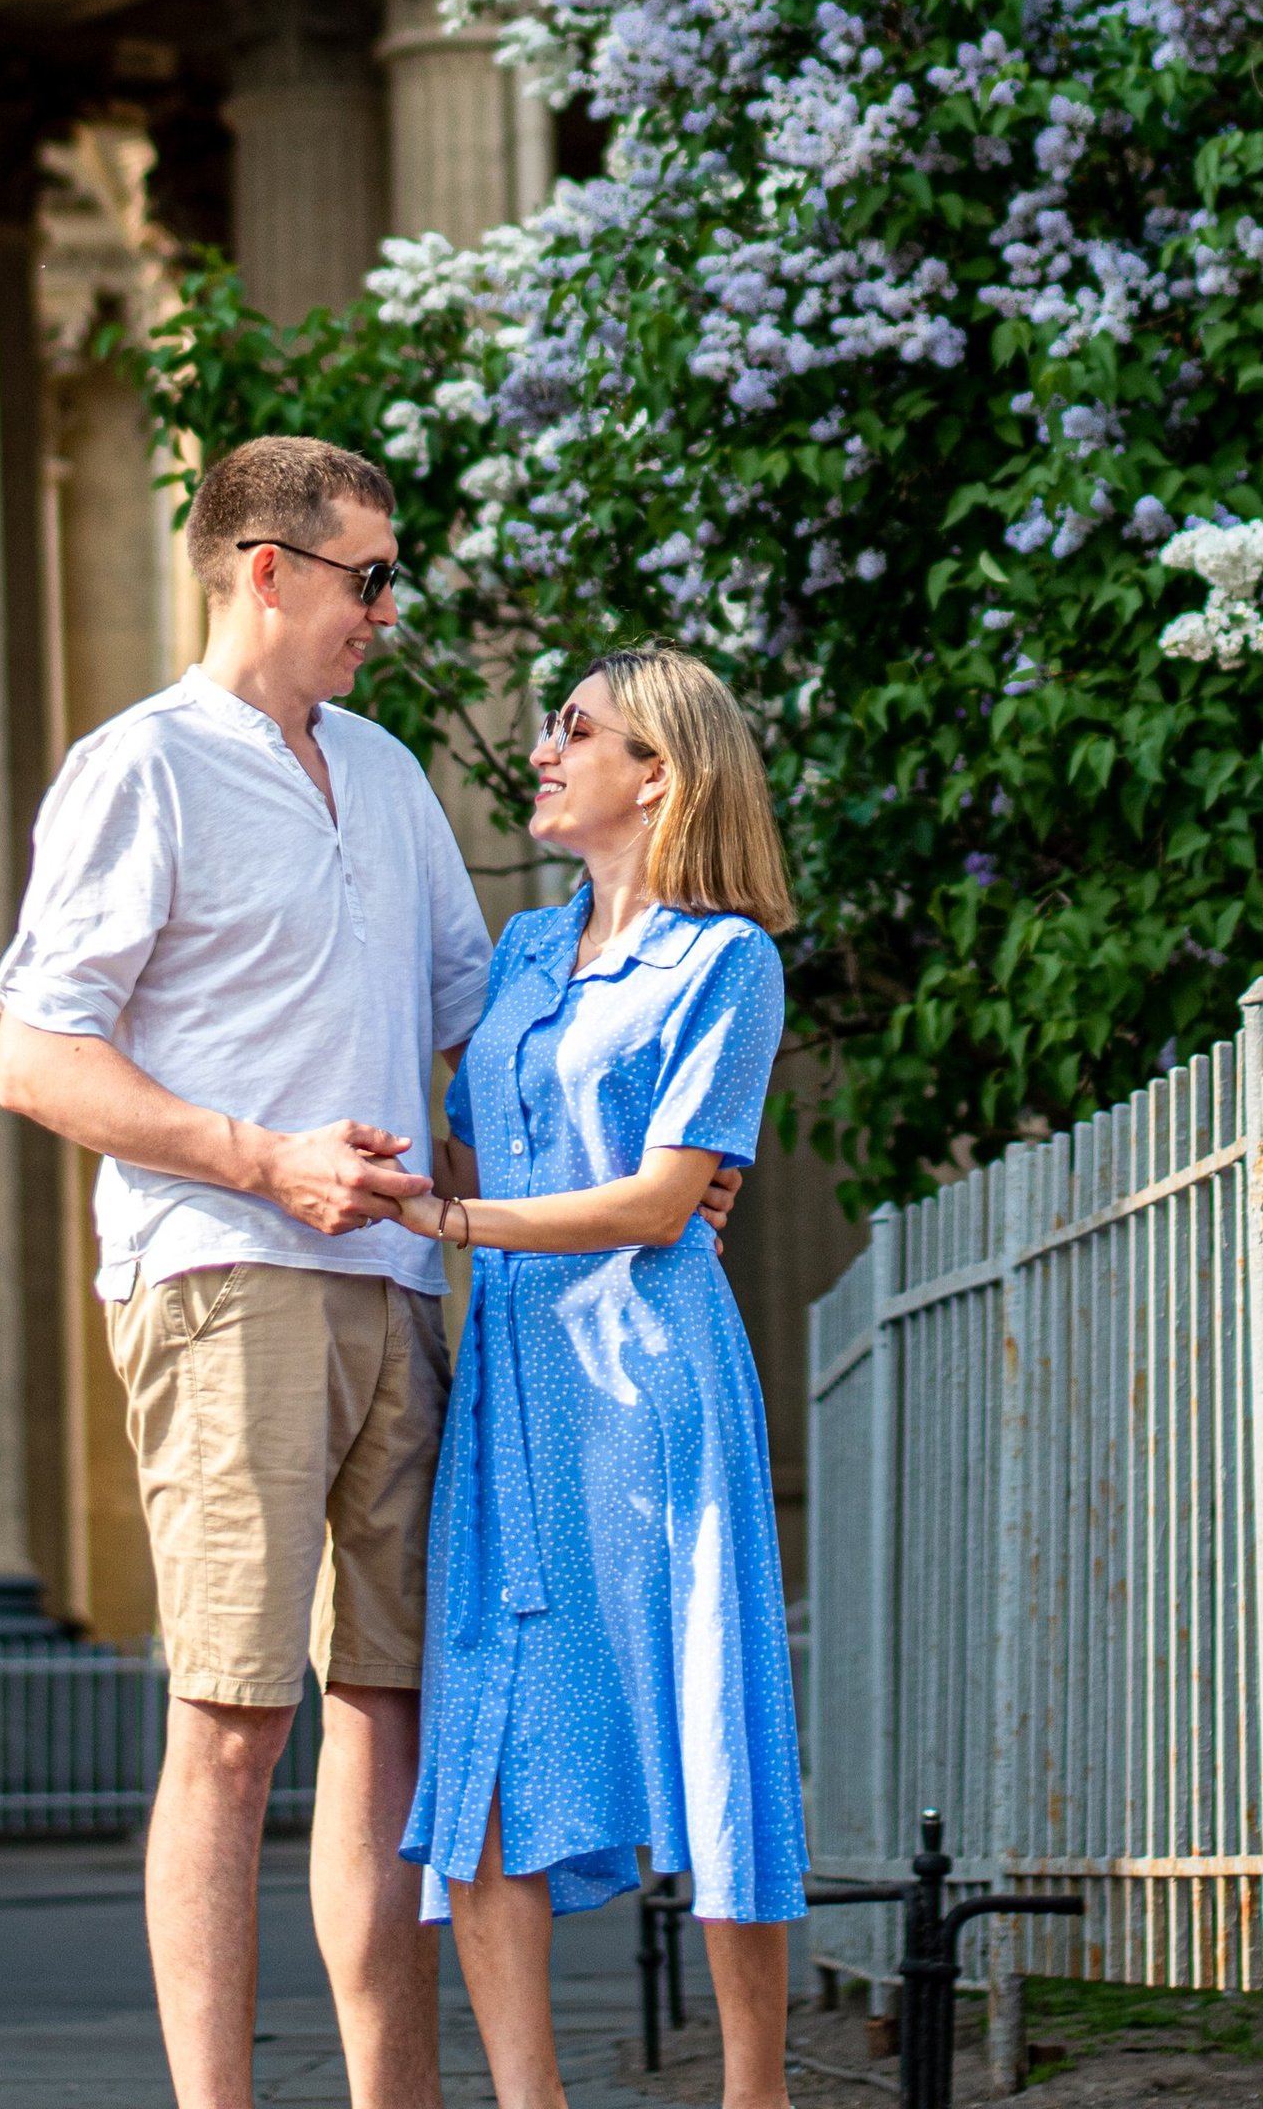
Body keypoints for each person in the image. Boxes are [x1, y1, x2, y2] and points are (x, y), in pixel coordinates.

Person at [0, 433, 744, 2109]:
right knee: (235, 1719)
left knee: (391, 1721)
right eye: (369, 578)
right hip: (227, 1276)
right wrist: (266, 1158)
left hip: (408, 1295)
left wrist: (642, 1184)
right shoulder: (143, 769)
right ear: (267, 569)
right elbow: (37, 1061)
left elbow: (483, 1044)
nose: (388, 613)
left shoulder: (391, 775)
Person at [395, 645, 807, 2109]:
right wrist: (387, 1166)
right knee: (496, 1745)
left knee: (706, 1722)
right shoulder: (518, 955)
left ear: (661, 775)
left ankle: (754, 2094)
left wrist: (449, 1218)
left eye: (580, 729)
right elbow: (489, 1161)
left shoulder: (728, 962)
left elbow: (655, 1201)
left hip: (649, 1400)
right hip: (513, 1402)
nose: (546, 748)